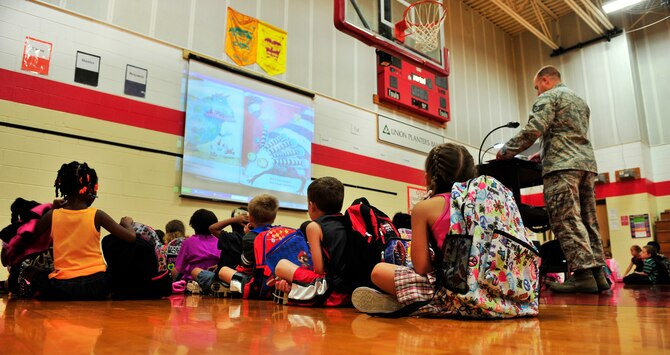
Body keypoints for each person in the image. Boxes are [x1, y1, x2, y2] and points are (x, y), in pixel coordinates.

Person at [496, 65, 608, 294]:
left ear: (545, 80)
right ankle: (598, 274)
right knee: (588, 220)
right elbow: (566, 135)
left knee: (565, 218)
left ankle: (583, 275)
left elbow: (533, 130)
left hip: (561, 168)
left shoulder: (549, 97)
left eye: (537, 87)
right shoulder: (579, 101)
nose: (537, 93)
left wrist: (507, 150)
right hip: (586, 166)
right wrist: (544, 152)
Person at [351, 143, 477, 316]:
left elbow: (422, 267)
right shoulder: (486, 203)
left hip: (455, 290)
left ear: (428, 177)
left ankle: (409, 302)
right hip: (493, 287)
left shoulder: (424, 208)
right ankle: (407, 301)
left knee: (379, 271)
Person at [24, 161, 137, 299]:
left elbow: (29, 238)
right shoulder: (97, 215)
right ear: (89, 189)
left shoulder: (52, 216)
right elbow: (131, 237)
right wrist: (127, 223)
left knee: (32, 272)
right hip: (98, 284)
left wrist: (52, 209)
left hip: (62, 287)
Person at [274, 177, 350, 307]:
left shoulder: (313, 227)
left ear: (311, 205)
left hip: (330, 290)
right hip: (349, 288)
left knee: (281, 265)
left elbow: (319, 270)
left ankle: (295, 289)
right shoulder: (348, 222)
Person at [218, 194, 279, 298]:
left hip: (256, 287)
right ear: (273, 218)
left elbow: (246, 267)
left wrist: (247, 237)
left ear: (250, 218)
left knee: (223, 271)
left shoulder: (250, 237)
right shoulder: (278, 232)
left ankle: (236, 289)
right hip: (276, 283)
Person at [188, 207, 249, 295]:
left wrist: (234, 219)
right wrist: (218, 265)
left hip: (222, 279)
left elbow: (213, 228)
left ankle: (215, 287)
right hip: (241, 278)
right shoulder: (252, 239)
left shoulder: (230, 237)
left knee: (195, 271)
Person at [174, 209, 220, 292]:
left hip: (192, 286)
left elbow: (178, 269)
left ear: (193, 225)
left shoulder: (188, 242)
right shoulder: (219, 241)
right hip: (214, 284)